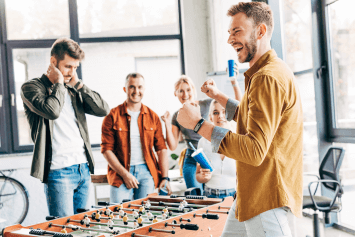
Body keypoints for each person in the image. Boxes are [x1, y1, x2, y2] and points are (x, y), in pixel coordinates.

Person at [177, 2, 303, 236]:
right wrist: (220, 97)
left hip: (265, 198)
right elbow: (254, 115)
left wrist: (198, 124)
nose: (230, 40)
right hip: (251, 193)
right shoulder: (268, 72)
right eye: (229, 33)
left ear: (261, 31)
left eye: (237, 31)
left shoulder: (267, 78)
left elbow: (255, 150)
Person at [20, 38, 110, 217]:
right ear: (53, 62)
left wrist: (79, 85)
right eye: (68, 66)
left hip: (82, 168)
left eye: (76, 67)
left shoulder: (73, 88)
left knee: (84, 229)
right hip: (58, 172)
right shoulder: (31, 87)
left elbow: (103, 109)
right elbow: (52, 111)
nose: (72, 72)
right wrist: (59, 83)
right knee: (64, 230)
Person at [161, 75, 241, 195]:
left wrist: (233, 82)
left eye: (188, 90)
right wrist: (167, 124)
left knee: (216, 187)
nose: (185, 94)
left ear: (193, 90)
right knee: (197, 195)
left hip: (211, 152)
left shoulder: (208, 104)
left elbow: (235, 107)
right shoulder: (177, 115)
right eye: (180, 91)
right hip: (193, 157)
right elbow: (172, 146)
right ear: (175, 94)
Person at [101, 73, 172, 204]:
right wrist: (125, 174)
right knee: (119, 213)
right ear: (125, 89)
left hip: (147, 172)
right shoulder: (112, 116)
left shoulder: (153, 117)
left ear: (144, 89)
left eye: (140, 87)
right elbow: (106, 150)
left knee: (145, 215)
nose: (136, 91)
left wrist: (165, 177)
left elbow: (161, 149)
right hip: (120, 173)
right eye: (132, 87)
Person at [195, 100, 236, 199]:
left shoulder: (238, 141)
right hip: (210, 195)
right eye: (215, 112)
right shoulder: (203, 142)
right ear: (210, 117)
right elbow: (198, 176)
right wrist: (203, 177)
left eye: (224, 112)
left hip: (234, 197)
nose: (220, 116)